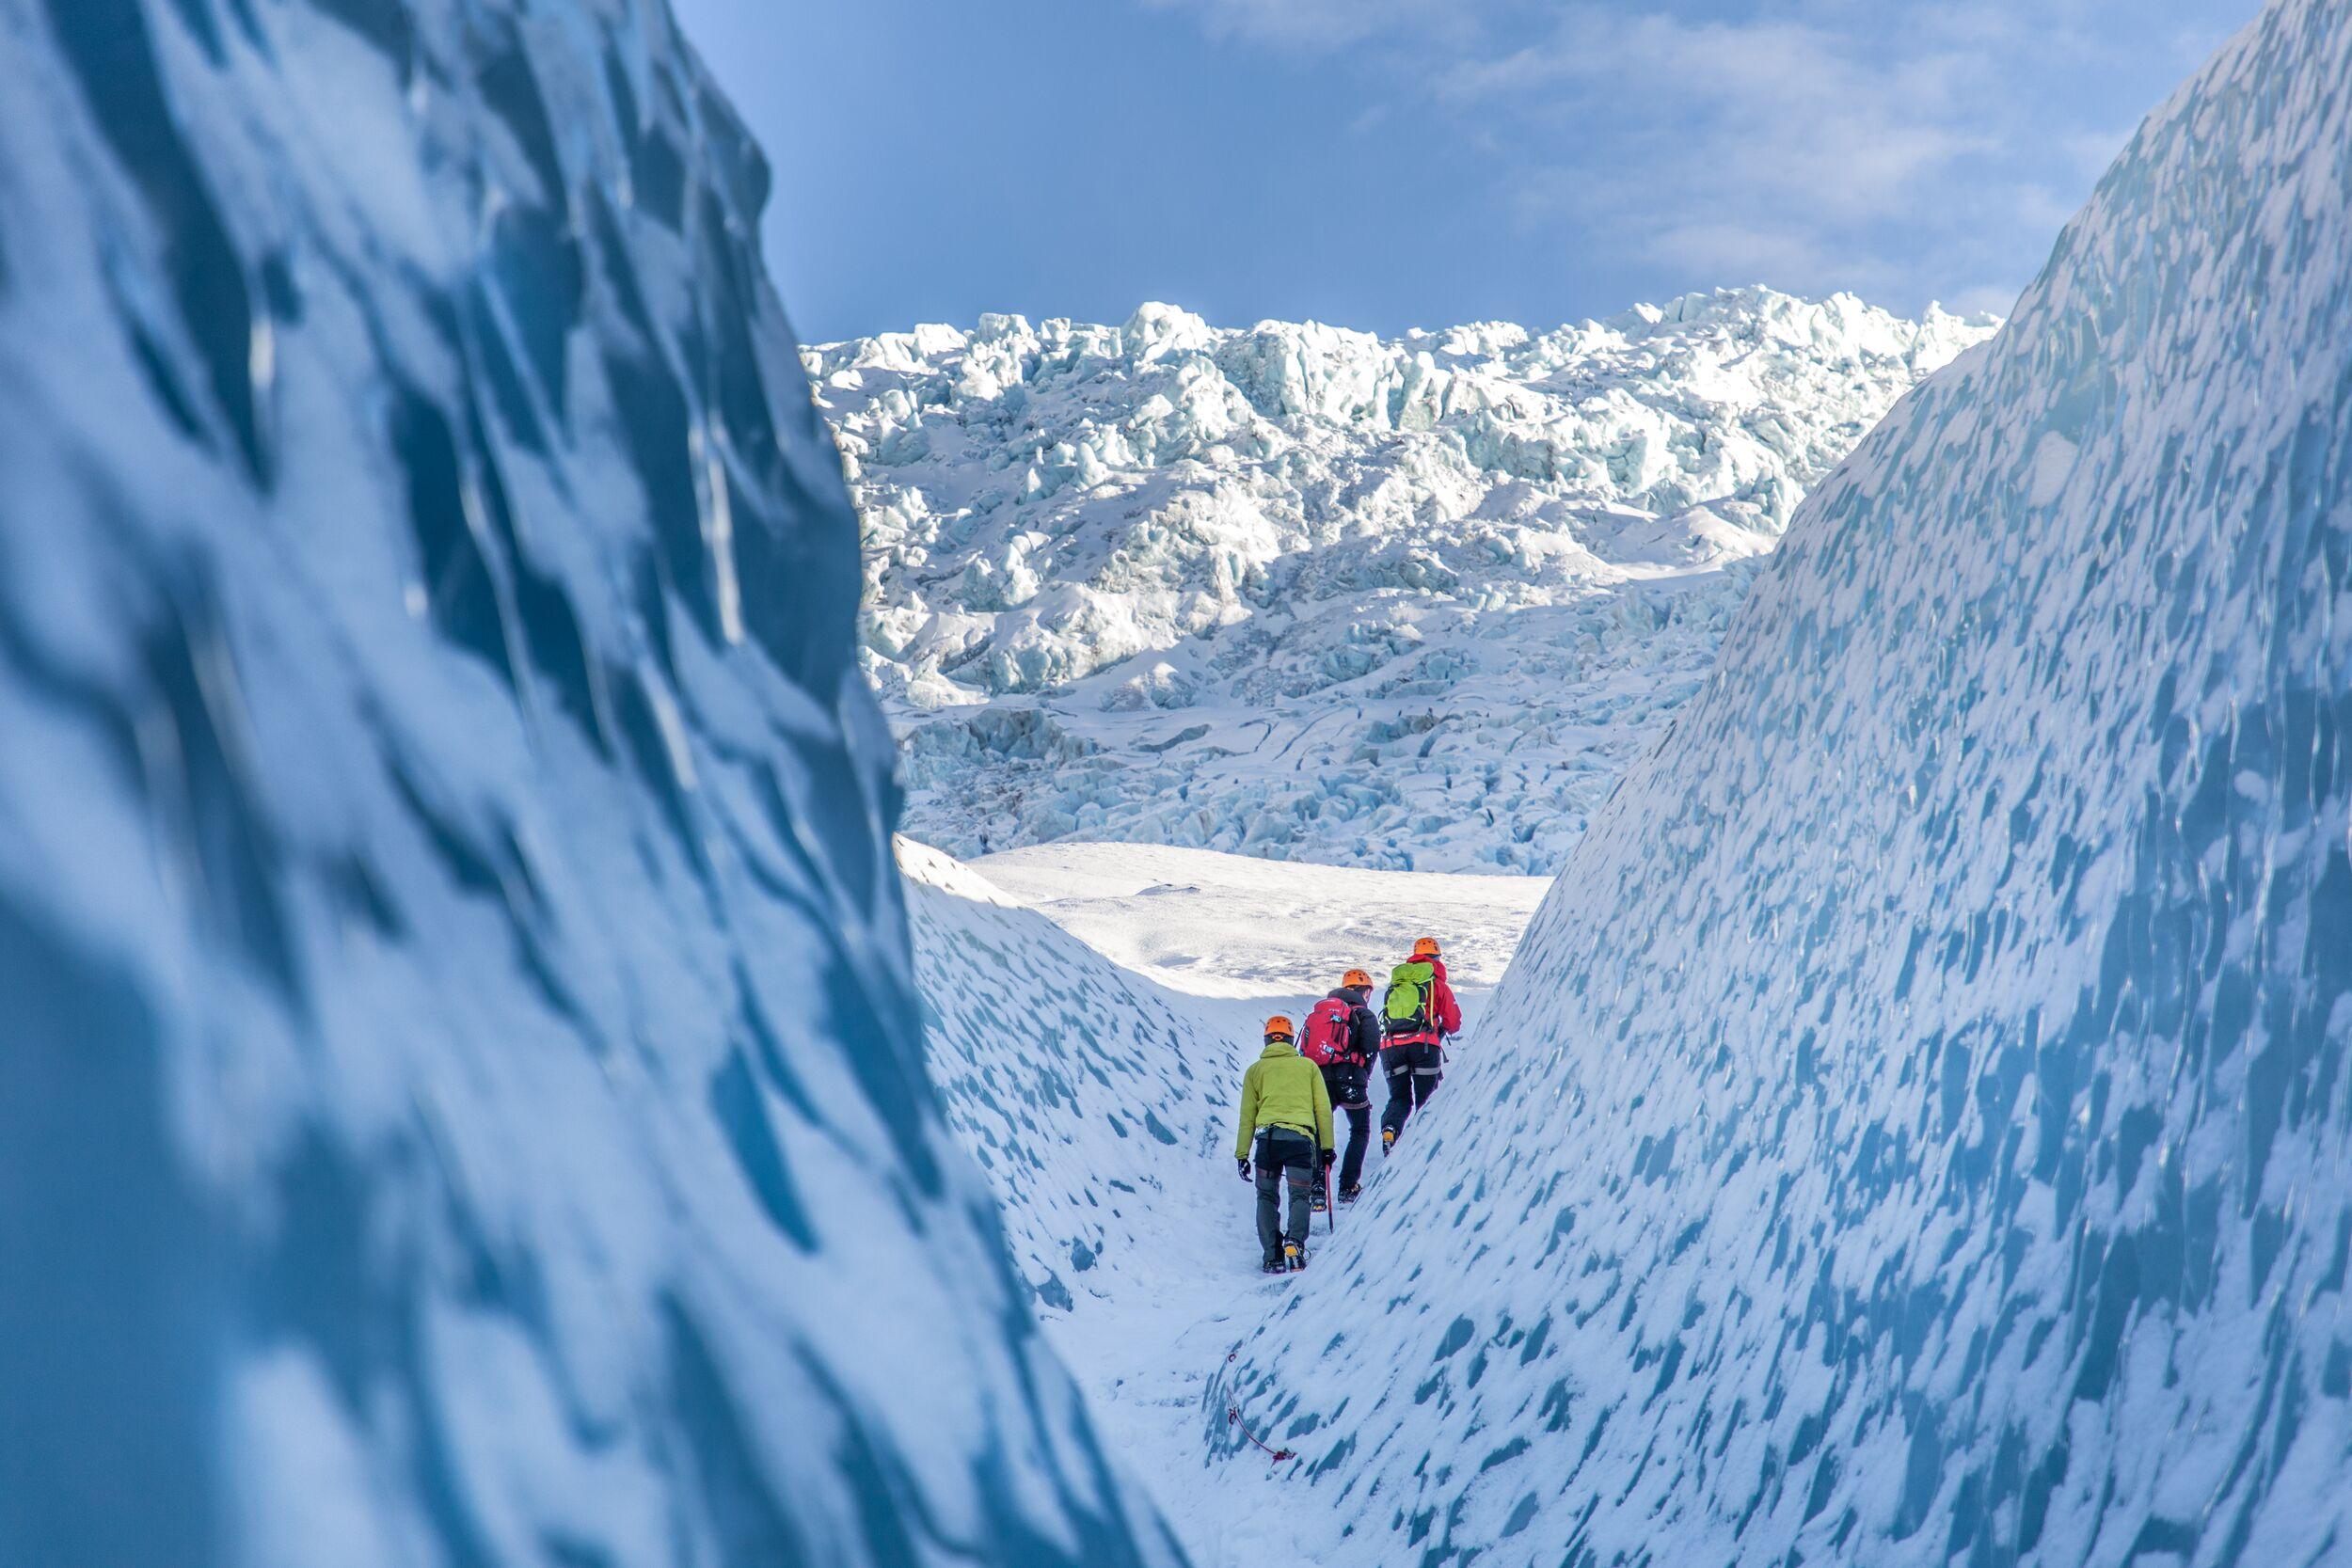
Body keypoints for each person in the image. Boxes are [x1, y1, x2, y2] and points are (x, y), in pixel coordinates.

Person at [1233, 1014, 1335, 1273]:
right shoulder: (1308, 1067)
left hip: (1267, 1142)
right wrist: (1327, 1148)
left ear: (1267, 1040)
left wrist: (1242, 1154)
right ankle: (1294, 1243)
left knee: (1266, 1196)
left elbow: (1247, 1117)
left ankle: (1271, 1256)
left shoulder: (1255, 1071)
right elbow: (1322, 1109)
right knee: (1300, 1194)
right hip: (1299, 1141)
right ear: (1292, 1040)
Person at [1299, 970, 1381, 1204]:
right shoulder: (1364, 1015)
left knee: (1318, 1129)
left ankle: (1316, 1188)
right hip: (1351, 1081)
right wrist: (1362, 1073)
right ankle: (1347, 1186)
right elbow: (1371, 1047)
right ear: (1363, 991)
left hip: (1320, 1081)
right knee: (1360, 1129)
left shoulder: (1323, 1013)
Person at [1379, 937, 1461, 1153]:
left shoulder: (1397, 984)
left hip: (1391, 1048)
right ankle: (1423, 1149)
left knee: (1399, 1098)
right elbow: (1454, 1021)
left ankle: (1390, 1130)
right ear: (1437, 959)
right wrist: (1442, 1029)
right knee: (1427, 1100)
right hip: (1424, 1046)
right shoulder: (1436, 984)